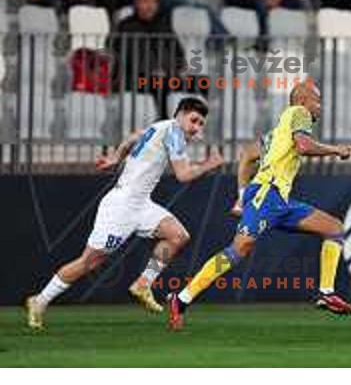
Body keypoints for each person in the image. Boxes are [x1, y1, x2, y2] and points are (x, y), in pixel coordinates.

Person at [166, 82, 351, 330]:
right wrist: (336, 150)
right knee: (238, 250)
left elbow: (247, 154)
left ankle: (326, 292)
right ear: (303, 101)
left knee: (334, 228)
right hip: (267, 194)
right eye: (317, 101)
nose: (319, 108)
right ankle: (181, 300)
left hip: (279, 201)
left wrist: (242, 194)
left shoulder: (278, 133)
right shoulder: (299, 114)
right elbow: (304, 146)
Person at [25, 97, 224, 330]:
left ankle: (143, 283)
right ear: (180, 115)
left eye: (201, 124)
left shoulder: (159, 126)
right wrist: (210, 164)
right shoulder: (174, 132)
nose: (196, 128)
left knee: (178, 236)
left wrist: (115, 158)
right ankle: (39, 300)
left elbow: (134, 136)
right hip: (121, 207)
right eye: (194, 120)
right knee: (89, 262)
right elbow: (183, 175)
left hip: (141, 204)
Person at [112, 0, 187, 119]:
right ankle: (164, 123)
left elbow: (179, 53)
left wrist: (173, 69)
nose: (150, 6)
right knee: (160, 83)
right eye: (146, 1)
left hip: (164, 75)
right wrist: (153, 70)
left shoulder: (163, 25)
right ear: (137, 3)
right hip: (132, 78)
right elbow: (129, 57)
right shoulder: (127, 26)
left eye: (154, 2)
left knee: (202, 83)